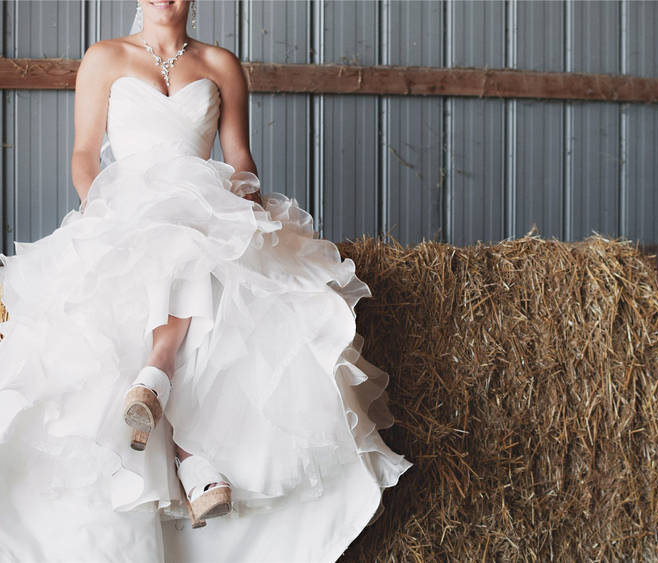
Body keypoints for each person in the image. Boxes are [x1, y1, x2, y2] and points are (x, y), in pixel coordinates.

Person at [0, 1, 412, 561]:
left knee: (201, 245)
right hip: (125, 210)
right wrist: (108, 211)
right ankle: (189, 452)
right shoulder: (104, 58)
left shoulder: (221, 64)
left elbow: (239, 158)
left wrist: (243, 201)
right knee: (169, 243)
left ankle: (160, 380)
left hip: (204, 211)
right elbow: (82, 155)